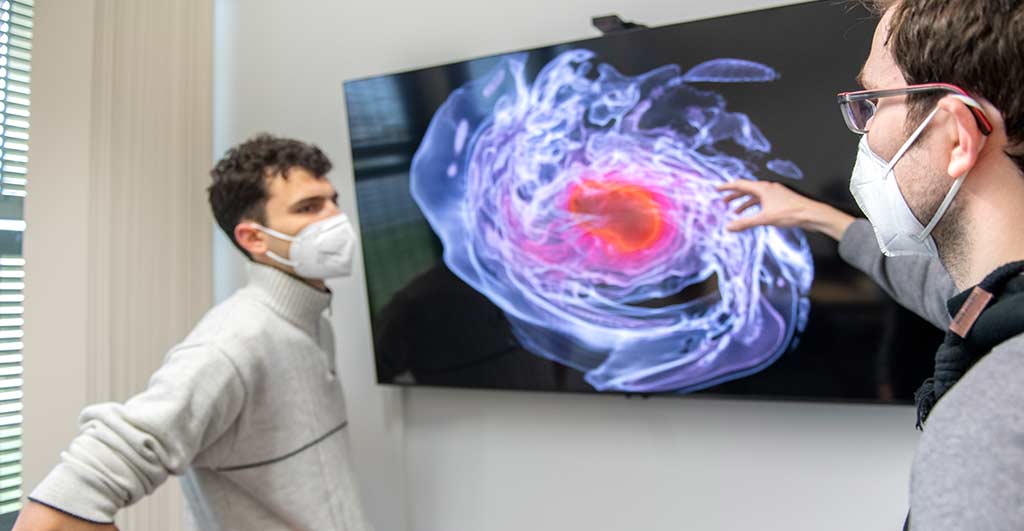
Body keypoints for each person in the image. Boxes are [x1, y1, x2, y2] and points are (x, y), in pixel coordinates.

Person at [718, 1, 1024, 528]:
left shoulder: (994, 425)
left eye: (873, 103)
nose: (861, 131)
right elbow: (944, 292)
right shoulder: (1001, 314)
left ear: (956, 135)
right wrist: (819, 217)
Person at [14, 135, 373, 530]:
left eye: (333, 201)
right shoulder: (233, 344)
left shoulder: (313, 326)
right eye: (309, 208)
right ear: (253, 237)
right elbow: (55, 513)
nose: (335, 218)